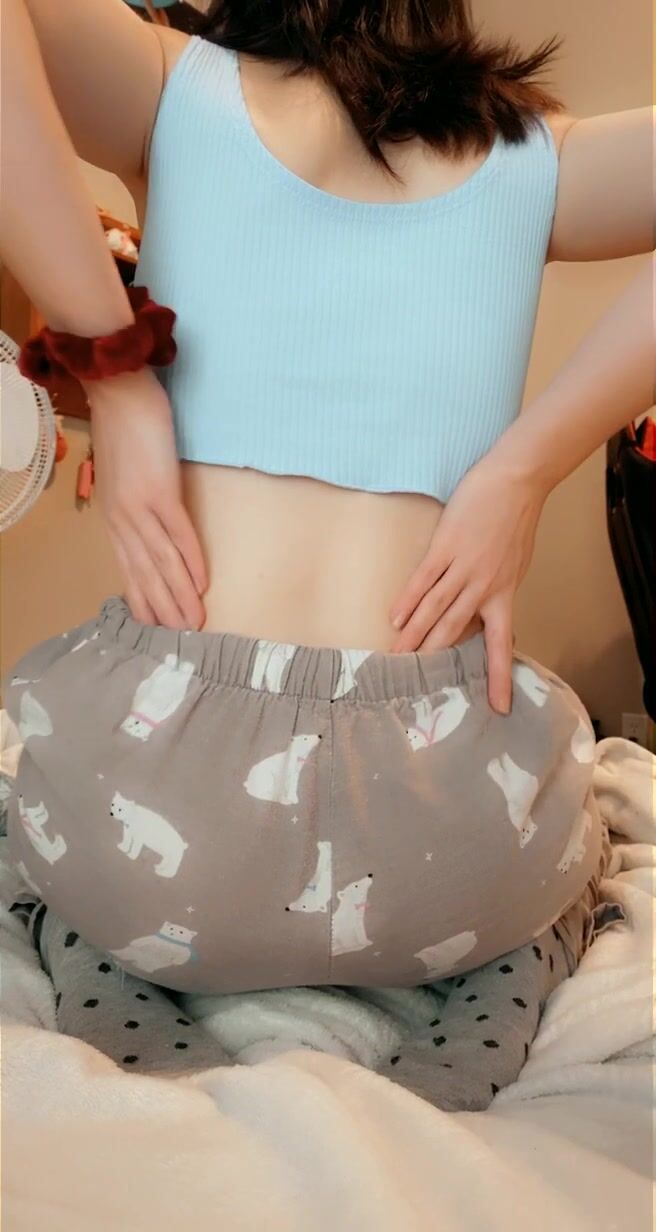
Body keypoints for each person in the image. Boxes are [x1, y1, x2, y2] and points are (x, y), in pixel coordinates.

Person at [1, 0, 652, 1108]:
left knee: (66, 852)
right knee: (549, 867)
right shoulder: (541, 157)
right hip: (450, 843)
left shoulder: (172, 85)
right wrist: (525, 467)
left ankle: (103, 957)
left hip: (163, 806)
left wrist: (115, 369)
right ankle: (493, 998)